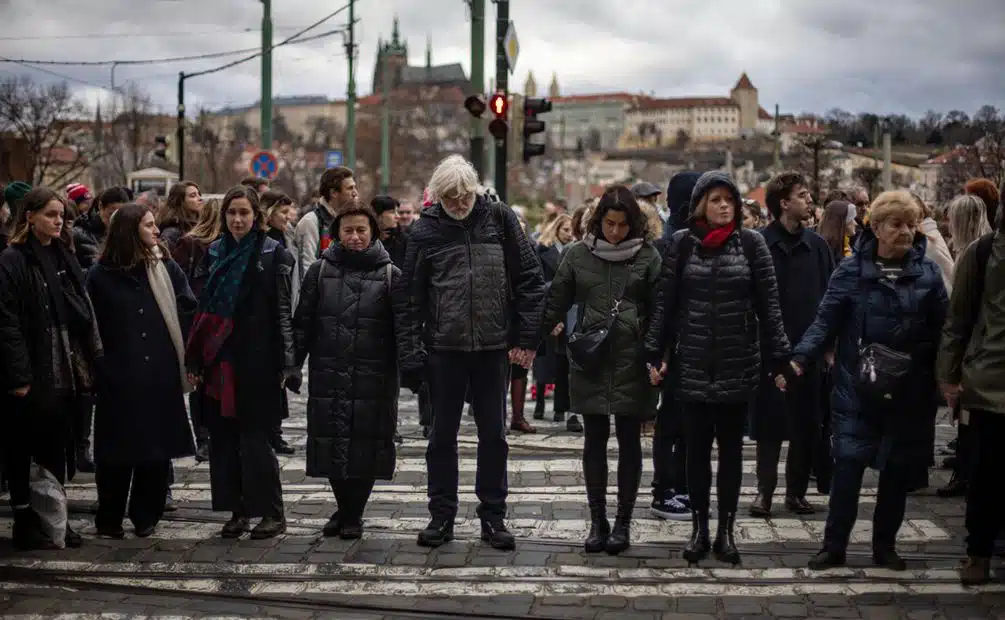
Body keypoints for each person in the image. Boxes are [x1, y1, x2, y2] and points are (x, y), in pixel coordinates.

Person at [788, 190, 948, 572]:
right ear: (875, 227)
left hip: (907, 390)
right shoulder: (851, 270)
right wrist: (799, 357)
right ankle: (834, 546)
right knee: (847, 471)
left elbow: (944, 328)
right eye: (896, 224)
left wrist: (945, 375)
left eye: (910, 224)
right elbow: (825, 320)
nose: (906, 231)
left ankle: (884, 547)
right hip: (857, 387)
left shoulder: (926, 272)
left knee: (895, 475)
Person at [394, 155, 545, 550]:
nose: (459, 206)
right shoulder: (425, 231)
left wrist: (526, 339)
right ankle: (441, 515)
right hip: (444, 348)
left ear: (475, 191)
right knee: (441, 436)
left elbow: (530, 279)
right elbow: (409, 298)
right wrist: (411, 355)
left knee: (493, 434)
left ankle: (493, 517)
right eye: (450, 200)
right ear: (437, 197)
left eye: (464, 198)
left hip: (492, 347)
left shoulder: (499, 218)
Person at [644, 171, 790, 566]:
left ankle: (725, 531)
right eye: (715, 200)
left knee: (729, 452)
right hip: (692, 362)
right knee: (694, 453)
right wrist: (654, 353)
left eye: (729, 199)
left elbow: (769, 307)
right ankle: (699, 528)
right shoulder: (681, 245)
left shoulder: (752, 244)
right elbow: (666, 305)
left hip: (736, 361)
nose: (724, 206)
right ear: (700, 206)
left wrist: (781, 359)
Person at [543, 185, 661, 555]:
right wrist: (534, 339)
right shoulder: (578, 255)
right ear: (598, 222)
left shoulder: (648, 256)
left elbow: (661, 311)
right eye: (609, 224)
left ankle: (623, 522)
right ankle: (598, 520)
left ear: (633, 224)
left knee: (629, 440)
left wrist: (658, 354)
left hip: (632, 358)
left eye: (622, 225)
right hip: (591, 358)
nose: (615, 232)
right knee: (594, 440)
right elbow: (555, 301)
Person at [185, 185, 298, 540]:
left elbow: (283, 310)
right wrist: (196, 358)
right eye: (232, 213)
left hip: (258, 359)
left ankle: (272, 513)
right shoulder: (214, 252)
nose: (237, 220)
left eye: (244, 213)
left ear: (256, 216)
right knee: (223, 439)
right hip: (218, 357)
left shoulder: (272, 253)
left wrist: (287, 362)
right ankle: (237, 511)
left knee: (255, 439)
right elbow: (200, 308)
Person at [0, 188, 103, 550]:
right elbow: (7, 323)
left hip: (66, 368)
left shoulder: (64, 254)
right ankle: (26, 519)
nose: (59, 221)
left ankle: (54, 516)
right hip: (32, 370)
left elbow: (82, 311)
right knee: (22, 447)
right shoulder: (12, 260)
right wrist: (19, 377)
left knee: (58, 447)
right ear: (29, 216)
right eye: (50, 215)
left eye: (61, 215)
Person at [85, 204, 197, 538]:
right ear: (130, 231)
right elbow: (90, 326)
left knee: (156, 450)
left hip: (160, 372)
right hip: (118, 375)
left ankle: (146, 515)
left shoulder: (163, 265)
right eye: (148, 225)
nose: (156, 231)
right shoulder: (100, 275)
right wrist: (102, 366)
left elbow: (187, 303)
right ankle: (109, 517)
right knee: (116, 453)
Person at [294, 201, 401, 540]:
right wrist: (291, 364)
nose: (355, 237)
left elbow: (404, 330)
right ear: (336, 234)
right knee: (332, 443)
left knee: (365, 447)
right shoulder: (320, 272)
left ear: (372, 233)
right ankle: (344, 507)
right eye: (348, 230)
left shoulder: (390, 275)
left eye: (361, 230)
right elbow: (303, 324)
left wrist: (414, 369)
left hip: (375, 377)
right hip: (329, 371)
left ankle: (353, 513)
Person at [749, 172, 835, 518]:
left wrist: (826, 346)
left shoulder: (817, 247)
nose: (810, 200)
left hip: (808, 349)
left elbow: (830, 299)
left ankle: (796, 493)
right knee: (769, 427)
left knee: (807, 425)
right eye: (803, 195)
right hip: (768, 352)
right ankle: (764, 493)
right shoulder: (758, 244)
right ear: (784, 203)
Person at [938, 190, 1004, 585]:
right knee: (986, 475)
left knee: (988, 475)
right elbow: (958, 318)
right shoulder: (982, 253)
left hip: (986, 379)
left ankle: (982, 553)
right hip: (991, 384)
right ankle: (978, 554)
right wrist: (949, 376)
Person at [171, 197, 223, 464]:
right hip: (198, 321)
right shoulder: (190, 244)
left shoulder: (230, 247)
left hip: (220, 323)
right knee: (199, 381)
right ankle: (203, 437)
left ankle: (213, 435)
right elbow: (178, 284)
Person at [532, 213, 576, 431]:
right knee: (544, 360)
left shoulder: (575, 252)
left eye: (571, 230)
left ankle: (562, 407)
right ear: (557, 229)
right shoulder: (543, 249)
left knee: (562, 361)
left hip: (568, 309)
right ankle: (539, 400)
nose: (568, 234)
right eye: (564, 230)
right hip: (549, 307)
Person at [293, 167, 358, 283]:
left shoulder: (352, 221)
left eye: (355, 187)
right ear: (333, 193)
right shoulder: (310, 222)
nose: (355, 193)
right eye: (350, 188)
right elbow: (306, 271)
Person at [157, 182, 203, 253]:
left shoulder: (201, 226)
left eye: (199, 194)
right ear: (180, 201)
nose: (200, 198)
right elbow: (165, 258)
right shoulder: (171, 232)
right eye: (193, 195)